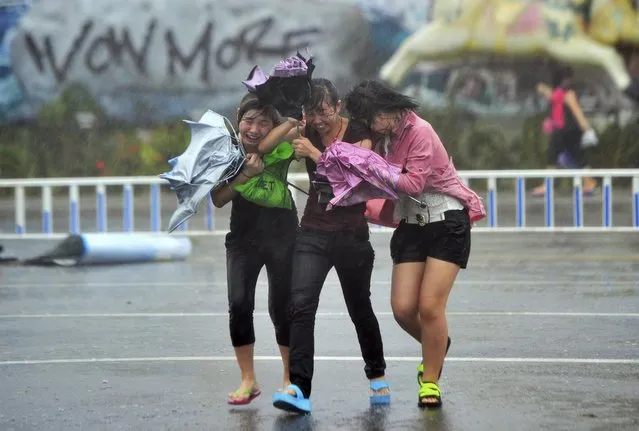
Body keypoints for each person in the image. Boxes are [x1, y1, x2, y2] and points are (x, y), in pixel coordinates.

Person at [344, 79, 486, 409]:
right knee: (403, 309)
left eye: (370, 119)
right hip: (411, 223)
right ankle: (437, 345)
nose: (368, 127)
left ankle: (431, 382)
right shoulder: (384, 135)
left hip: (447, 221)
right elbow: (384, 189)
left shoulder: (420, 131)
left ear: (387, 111)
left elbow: (412, 182)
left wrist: (370, 165)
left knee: (430, 307)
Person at [265, 78, 391, 414]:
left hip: (351, 233)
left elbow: (355, 174)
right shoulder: (305, 129)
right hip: (314, 232)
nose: (318, 119)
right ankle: (298, 388)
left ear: (337, 106)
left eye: (323, 111)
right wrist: (291, 121)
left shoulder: (361, 132)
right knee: (301, 305)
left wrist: (314, 153)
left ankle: (376, 372)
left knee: (359, 308)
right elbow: (267, 144)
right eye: (311, 111)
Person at [212, 93, 298, 405]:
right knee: (238, 303)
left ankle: (290, 378)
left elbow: (297, 131)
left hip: (283, 235)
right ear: (238, 119)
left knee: (282, 306)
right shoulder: (225, 152)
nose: (254, 128)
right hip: (243, 238)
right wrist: (245, 174)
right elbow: (218, 198)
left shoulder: (282, 146)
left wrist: (291, 119)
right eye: (249, 120)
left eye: (264, 123)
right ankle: (248, 379)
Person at [533, 66, 598, 196]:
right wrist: (542, 88)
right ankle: (589, 183)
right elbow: (552, 96)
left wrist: (588, 130)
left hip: (568, 131)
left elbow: (577, 111)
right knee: (577, 157)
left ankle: (548, 186)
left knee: (553, 156)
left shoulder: (568, 93)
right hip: (564, 130)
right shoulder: (560, 92)